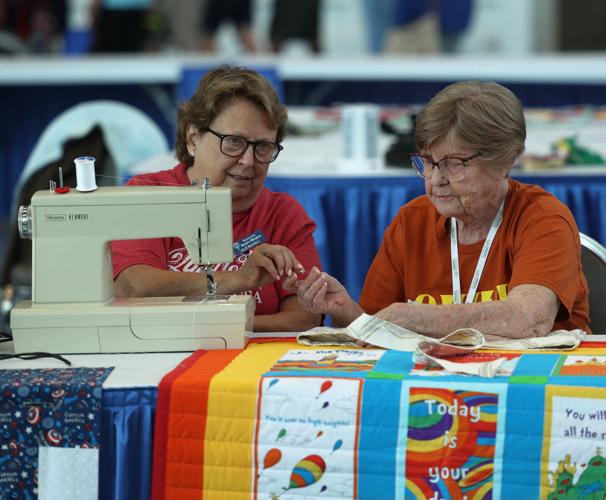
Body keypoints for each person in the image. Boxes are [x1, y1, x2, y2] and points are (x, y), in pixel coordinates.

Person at [289, 81, 590, 340]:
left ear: (503, 162)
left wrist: (417, 317)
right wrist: (347, 312)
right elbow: (380, 328)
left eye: (454, 164)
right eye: (428, 162)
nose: (435, 180)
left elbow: (528, 320)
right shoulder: (412, 221)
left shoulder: (542, 218)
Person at [112, 65, 323, 332]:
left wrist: (215, 325)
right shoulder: (149, 195)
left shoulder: (283, 215)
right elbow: (134, 288)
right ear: (193, 138)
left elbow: (306, 317)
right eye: (233, 141)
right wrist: (238, 280)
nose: (248, 161)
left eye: (263, 147)